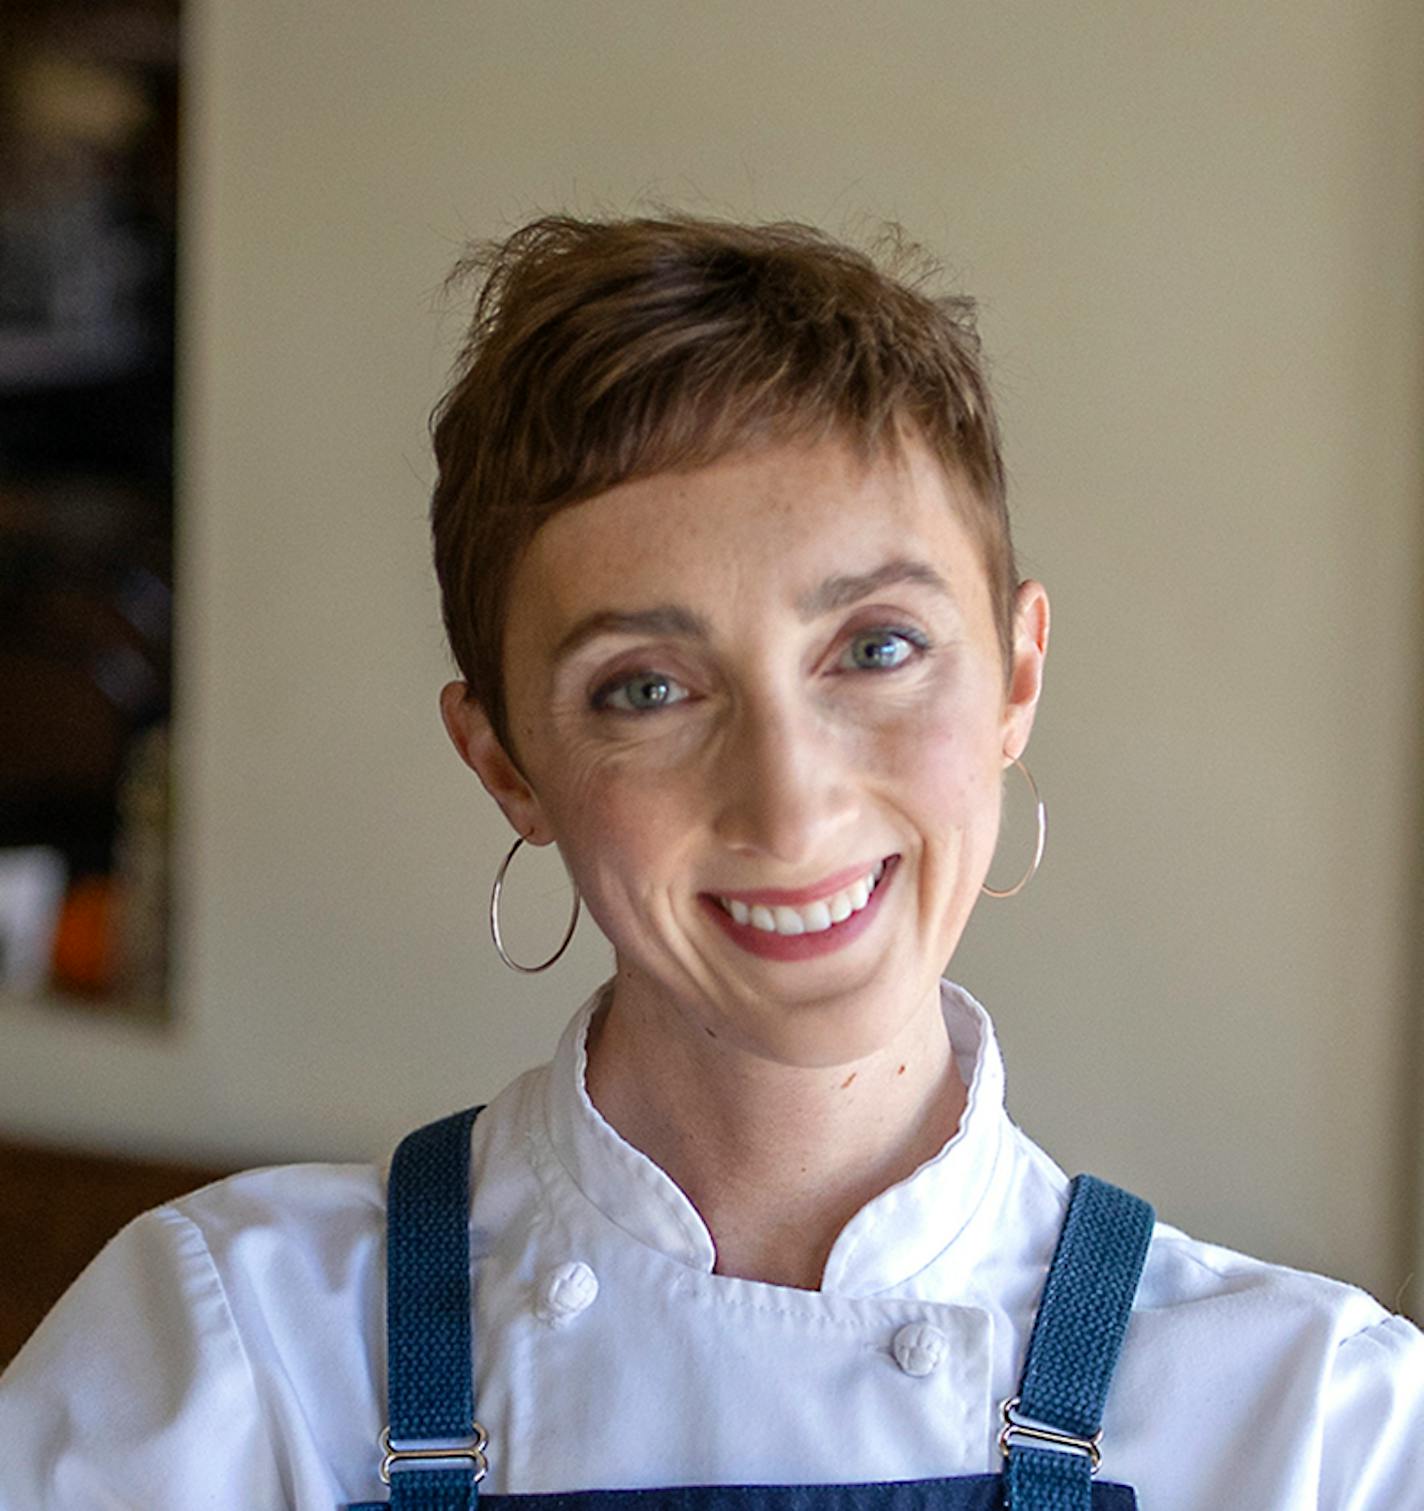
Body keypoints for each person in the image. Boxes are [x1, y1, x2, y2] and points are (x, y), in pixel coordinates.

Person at [1, 214, 1421, 1510]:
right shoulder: (233, 1363)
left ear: (1016, 677)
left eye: (876, 648)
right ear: (504, 761)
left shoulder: (1323, 1433)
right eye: (647, 687)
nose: (789, 807)